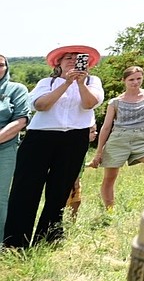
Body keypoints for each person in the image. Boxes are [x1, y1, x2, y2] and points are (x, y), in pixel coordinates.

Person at [4, 45, 104, 247]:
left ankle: (47, 239)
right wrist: (66, 84)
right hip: (40, 137)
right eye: (67, 57)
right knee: (25, 188)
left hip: (74, 138)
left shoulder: (93, 82)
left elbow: (89, 103)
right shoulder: (46, 82)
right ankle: (14, 242)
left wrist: (80, 83)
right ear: (58, 63)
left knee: (59, 190)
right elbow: (41, 105)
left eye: (77, 58)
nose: (72, 60)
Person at [87, 65, 144, 210]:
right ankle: (110, 211)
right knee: (110, 177)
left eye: (139, 79)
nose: (135, 82)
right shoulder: (115, 102)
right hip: (119, 139)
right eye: (131, 79)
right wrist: (98, 152)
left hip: (141, 138)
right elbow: (106, 127)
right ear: (124, 80)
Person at [0, 54, 32, 236]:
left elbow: (20, 121)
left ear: (6, 67)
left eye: (0, 65)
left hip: (5, 149)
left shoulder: (16, 89)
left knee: (0, 199)